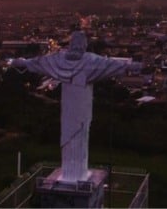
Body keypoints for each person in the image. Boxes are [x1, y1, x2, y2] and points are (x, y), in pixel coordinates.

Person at [11, 31, 140, 182]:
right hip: (76, 110)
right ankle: (73, 177)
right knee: (76, 136)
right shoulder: (88, 62)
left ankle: (73, 176)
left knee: (75, 136)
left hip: (74, 110)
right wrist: (133, 66)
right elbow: (112, 65)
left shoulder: (60, 60)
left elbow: (38, 62)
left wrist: (22, 62)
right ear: (82, 45)